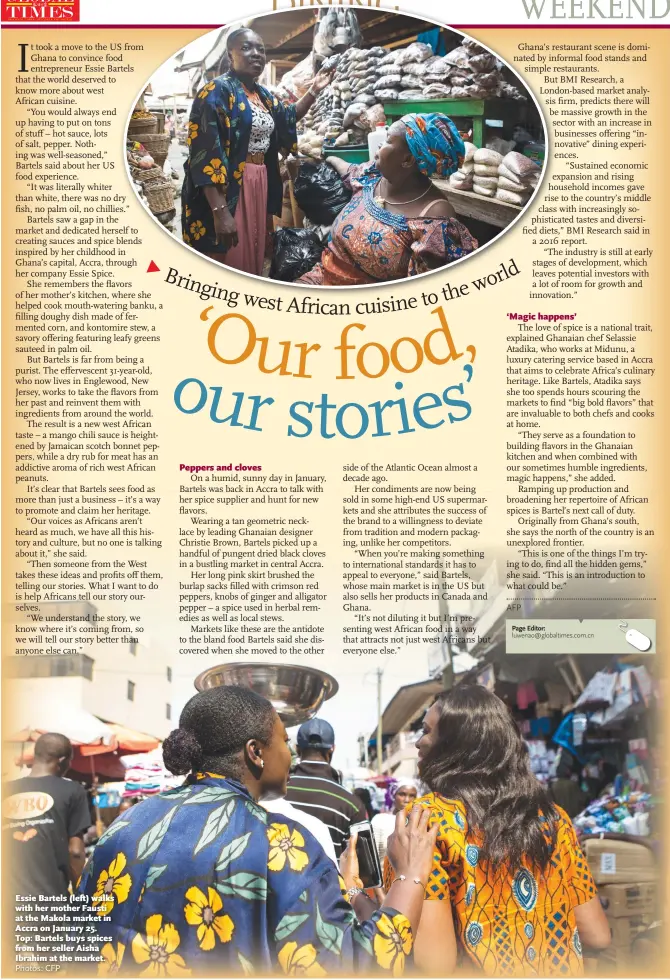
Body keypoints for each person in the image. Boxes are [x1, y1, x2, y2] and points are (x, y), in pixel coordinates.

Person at [78, 686, 438, 977]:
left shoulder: (122, 826)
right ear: (256, 752)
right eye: (284, 741)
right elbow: (361, 964)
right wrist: (411, 876)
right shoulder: (281, 842)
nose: (292, 756)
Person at [385, 686, 612, 977]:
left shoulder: (425, 824)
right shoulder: (554, 820)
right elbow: (598, 936)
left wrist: (359, 895)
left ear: (455, 744)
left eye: (427, 731)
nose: (419, 742)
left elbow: (434, 965)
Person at [181, 28, 332, 275]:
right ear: (230, 56)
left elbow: (287, 118)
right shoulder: (216, 92)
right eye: (246, 48)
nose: (256, 54)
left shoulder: (262, 95)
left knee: (253, 249)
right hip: (228, 188)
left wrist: (315, 89)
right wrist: (221, 213)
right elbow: (205, 155)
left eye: (260, 50)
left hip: (258, 180)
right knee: (228, 254)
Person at [298, 114, 478, 286]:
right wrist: (329, 157)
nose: (379, 146)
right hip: (321, 276)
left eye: (387, 141)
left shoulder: (435, 216)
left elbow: (424, 292)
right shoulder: (372, 176)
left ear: (407, 160)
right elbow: (349, 169)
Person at [5, 733, 90, 896]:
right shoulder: (72, 791)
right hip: (49, 904)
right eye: (70, 761)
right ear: (62, 760)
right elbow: (75, 852)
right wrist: (81, 895)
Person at [285, 718, 367, 859]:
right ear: (332, 749)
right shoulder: (351, 804)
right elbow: (362, 868)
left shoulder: (276, 792)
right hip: (331, 881)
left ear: (297, 749)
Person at [372, 780, 419, 865]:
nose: (407, 800)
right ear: (393, 796)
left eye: (412, 796)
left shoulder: (420, 824)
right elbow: (372, 857)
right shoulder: (380, 820)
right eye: (402, 794)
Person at [548, 751, 588, 819]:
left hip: (560, 819)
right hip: (574, 818)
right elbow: (583, 799)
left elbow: (549, 804)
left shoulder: (553, 786)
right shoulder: (573, 784)